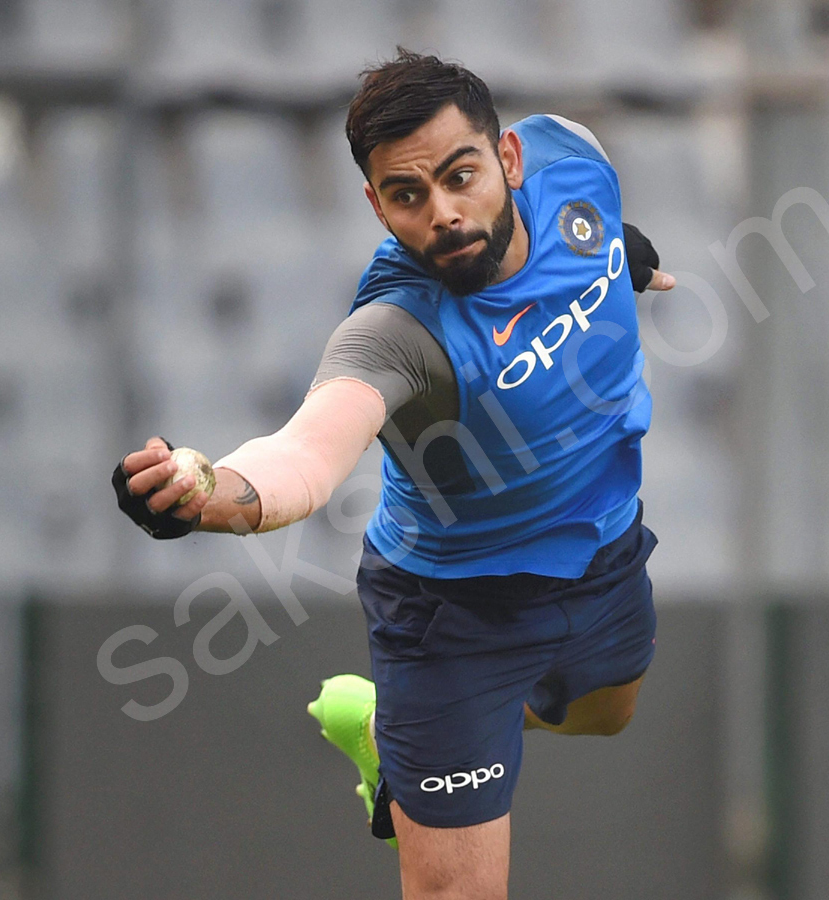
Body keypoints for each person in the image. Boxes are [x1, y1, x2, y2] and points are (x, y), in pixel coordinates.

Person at [113, 49, 675, 900]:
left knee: (605, 715)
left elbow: (586, 241)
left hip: (604, 554)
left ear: (510, 160)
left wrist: (620, 260)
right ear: (378, 206)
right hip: (454, 618)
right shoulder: (396, 331)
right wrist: (207, 496)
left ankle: (397, 729)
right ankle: (418, 731)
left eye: (462, 176)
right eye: (409, 196)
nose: (444, 214)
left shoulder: (572, 156)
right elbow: (304, 456)